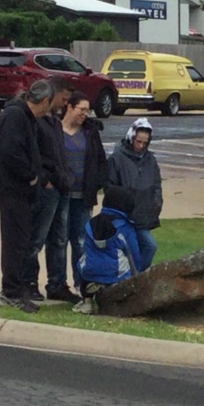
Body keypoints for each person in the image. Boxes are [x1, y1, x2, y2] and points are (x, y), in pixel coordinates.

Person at [0, 79, 54, 313]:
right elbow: (10, 151)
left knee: (20, 239)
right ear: (44, 101)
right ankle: (11, 292)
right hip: (11, 187)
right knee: (15, 241)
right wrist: (30, 175)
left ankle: (15, 289)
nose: (49, 112)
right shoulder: (16, 116)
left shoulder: (20, 115)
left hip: (14, 188)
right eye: (50, 106)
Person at [20, 77, 76, 302]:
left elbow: (59, 154)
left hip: (61, 186)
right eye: (63, 99)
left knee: (59, 239)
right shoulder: (35, 121)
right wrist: (44, 180)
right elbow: (34, 155)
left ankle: (57, 282)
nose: (64, 104)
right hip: (46, 188)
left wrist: (66, 177)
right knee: (36, 239)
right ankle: (28, 282)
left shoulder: (53, 121)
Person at [60, 91, 108, 292]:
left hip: (83, 197)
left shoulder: (90, 132)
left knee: (80, 241)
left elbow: (101, 161)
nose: (85, 114)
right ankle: (57, 283)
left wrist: (95, 184)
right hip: (60, 197)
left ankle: (82, 284)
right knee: (59, 240)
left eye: (87, 110)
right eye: (82, 109)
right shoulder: (54, 130)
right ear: (69, 107)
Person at [106, 117, 162, 269]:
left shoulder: (150, 159)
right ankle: (132, 278)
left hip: (143, 216)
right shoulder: (117, 158)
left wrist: (156, 205)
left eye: (145, 142)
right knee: (139, 249)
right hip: (124, 217)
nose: (141, 145)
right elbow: (110, 187)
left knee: (148, 247)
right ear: (131, 137)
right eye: (139, 141)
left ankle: (136, 277)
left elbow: (156, 185)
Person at [76, 186, 143, 308]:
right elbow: (134, 253)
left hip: (90, 271)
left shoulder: (90, 223)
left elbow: (84, 247)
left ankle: (87, 301)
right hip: (116, 273)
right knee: (124, 261)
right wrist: (136, 275)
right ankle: (111, 288)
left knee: (82, 263)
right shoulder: (125, 227)